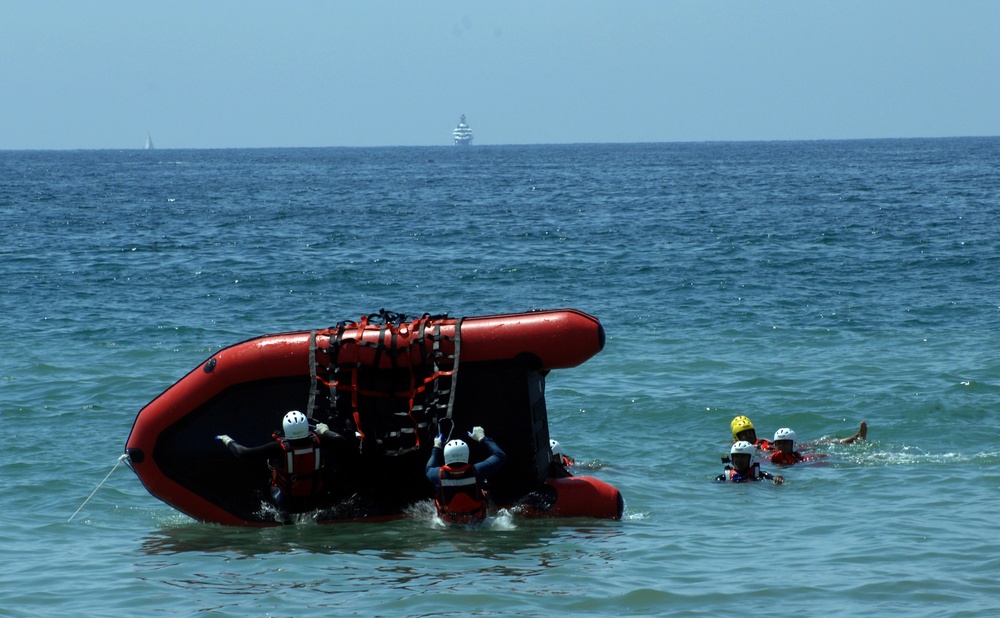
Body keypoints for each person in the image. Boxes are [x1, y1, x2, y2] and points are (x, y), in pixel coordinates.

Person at [217, 410, 350, 514]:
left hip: (287, 504)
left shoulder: (278, 448)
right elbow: (340, 440)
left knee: (270, 478)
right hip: (315, 500)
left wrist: (227, 440)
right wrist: (325, 430)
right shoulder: (320, 440)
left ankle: (281, 516)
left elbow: (243, 453)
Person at [425, 425, 506, 524]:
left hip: (449, 524)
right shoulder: (478, 471)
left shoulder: (436, 475)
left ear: (446, 455)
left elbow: (429, 468)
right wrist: (482, 438)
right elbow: (500, 455)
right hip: (477, 522)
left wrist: (436, 447)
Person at [716, 441, 784, 484]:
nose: (739, 460)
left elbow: (773, 478)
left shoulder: (760, 475)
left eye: (743, 457)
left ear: (751, 458)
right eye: (736, 457)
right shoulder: (723, 477)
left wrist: (777, 478)